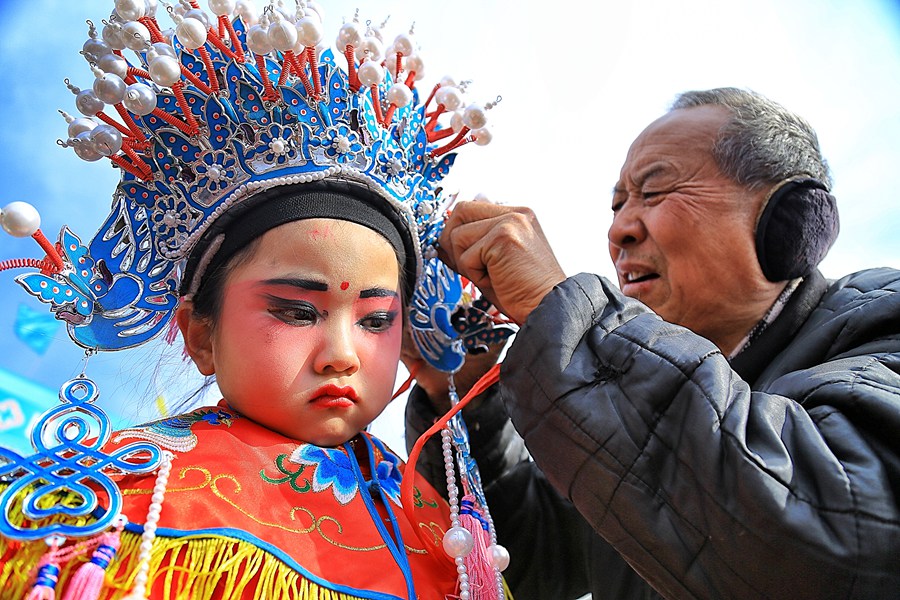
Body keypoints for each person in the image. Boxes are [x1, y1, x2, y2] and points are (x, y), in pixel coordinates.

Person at [0, 2, 509, 598]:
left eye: (375, 319)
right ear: (201, 335)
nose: (341, 355)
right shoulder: (108, 505)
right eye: (296, 310)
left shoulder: (447, 532)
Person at [405, 87, 900, 599]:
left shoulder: (880, 324)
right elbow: (524, 559)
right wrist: (464, 399)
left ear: (790, 221)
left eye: (654, 193)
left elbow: (839, 540)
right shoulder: (626, 429)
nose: (618, 230)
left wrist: (564, 313)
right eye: (617, 204)